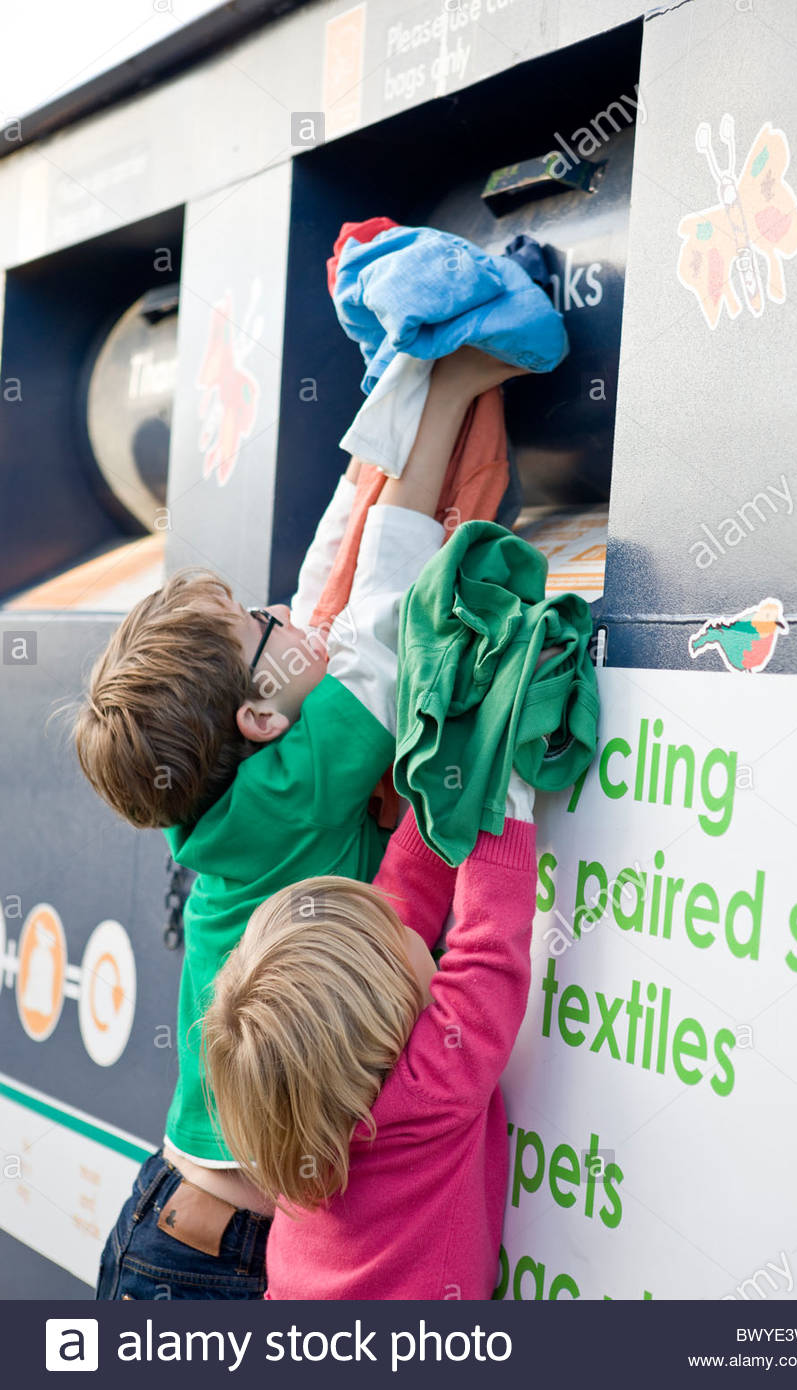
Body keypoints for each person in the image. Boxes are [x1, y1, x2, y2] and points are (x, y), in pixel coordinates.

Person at [74, 345, 523, 1299]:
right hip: (222, 1263)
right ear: (260, 720)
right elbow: (378, 620)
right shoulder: (294, 790)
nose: (285, 610)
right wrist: (444, 391)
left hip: (170, 1219)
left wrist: (399, 389)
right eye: (260, 624)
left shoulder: (223, 797)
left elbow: (333, 582)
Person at [203, 769, 537, 1301]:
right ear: (394, 1007)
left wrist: (443, 783)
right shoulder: (430, 1091)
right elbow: (487, 955)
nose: (415, 927)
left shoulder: (303, 1109)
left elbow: (397, 900)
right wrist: (501, 798)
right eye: (404, 938)